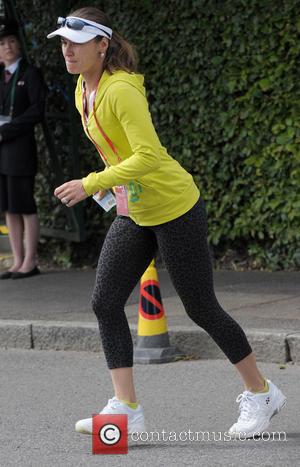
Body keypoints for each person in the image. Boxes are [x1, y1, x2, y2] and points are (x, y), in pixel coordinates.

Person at [47, 7, 286, 439]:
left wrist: (92, 183)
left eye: (76, 44)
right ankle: (127, 409)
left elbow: (149, 156)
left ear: (102, 45)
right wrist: (108, 188)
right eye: (63, 43)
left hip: (175, 207)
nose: (67, 51)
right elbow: (117, 151)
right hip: (136, 210)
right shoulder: (83, 85)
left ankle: (262, 392)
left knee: (200, 307)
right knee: (104, 301)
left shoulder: (121, 91)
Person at [0, 20, 45, 279]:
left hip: (19, 149)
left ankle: (30, 260)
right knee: (9, 207)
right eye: (2, 43)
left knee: (25, 205)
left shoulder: (29, 73)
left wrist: (6, 131)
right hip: (2, 151)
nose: (7, 47)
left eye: (11, 41)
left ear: (19, 44)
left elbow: (36, 111)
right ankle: (17, 261)